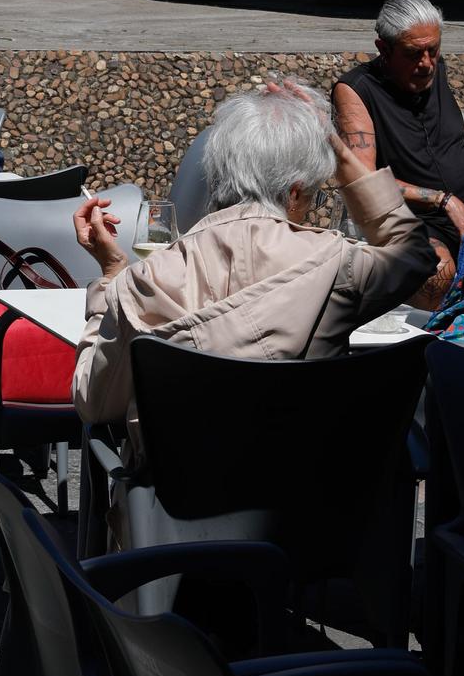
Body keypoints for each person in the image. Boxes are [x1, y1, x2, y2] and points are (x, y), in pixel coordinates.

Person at [72, 81, 436, 442]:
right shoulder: (337, 264)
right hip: (310, 488)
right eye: (313, 194)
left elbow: (95, 403)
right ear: (295, 192)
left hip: (179, 495)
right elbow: (416, 253)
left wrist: (110, 277)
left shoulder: (143, 282)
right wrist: (336, 151)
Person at [332, 0, 464, 309]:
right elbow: (364, 181)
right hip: (415, 220)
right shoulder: (357, 89)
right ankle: (433, 350)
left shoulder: (434, 69)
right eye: (413, 53)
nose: (426, 63)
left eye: (433, 50)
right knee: (436, 275)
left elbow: (446, 145)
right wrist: (442, 199)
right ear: (384, 49)